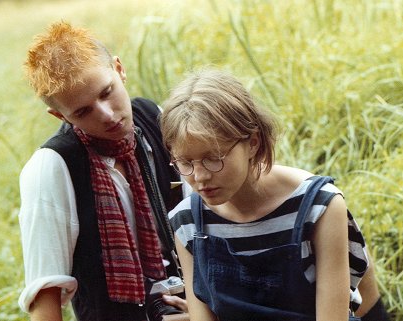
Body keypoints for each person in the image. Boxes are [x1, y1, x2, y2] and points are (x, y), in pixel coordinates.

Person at [159, 69, 391, 321]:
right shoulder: (187, 221)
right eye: (185, 162)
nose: (200, 176)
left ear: (253, 143)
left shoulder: (319, 206)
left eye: (214, 159)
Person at [18, 22, 188, 321]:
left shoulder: (153, 118)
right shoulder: (51, 168)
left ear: (119, 69)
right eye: (83, 112)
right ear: (60, 115)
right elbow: (45, 300)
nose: (107, 115)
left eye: (107, 92)